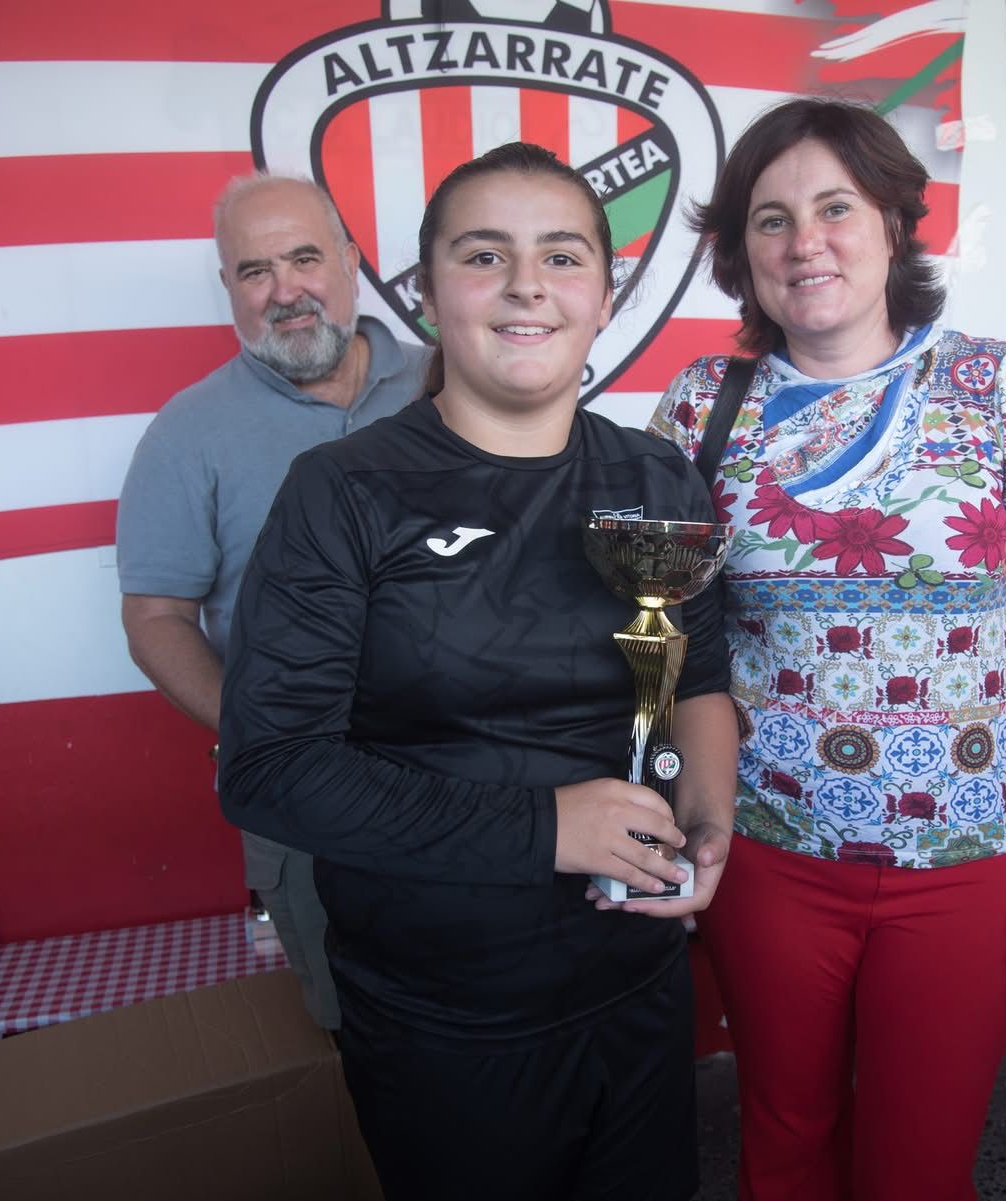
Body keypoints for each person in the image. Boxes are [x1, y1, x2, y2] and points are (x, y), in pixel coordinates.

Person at [217, 142, 737, 1201]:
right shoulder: (343, 494)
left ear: (604, 293)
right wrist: (547, 828)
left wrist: (711, 820)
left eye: (560, 255)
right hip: (446, 1017)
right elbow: (268, 768)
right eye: (484, 254)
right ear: (424, 293)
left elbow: (700, 673)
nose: (526, 285)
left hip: (637, 985)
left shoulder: (654, 473)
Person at [649, 98, 1006, 1201]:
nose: (804, 242)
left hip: (964, 863)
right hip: (766, 853)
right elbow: (661, 639)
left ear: (897, 224)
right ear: (737, 251)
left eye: (834, 207)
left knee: (921, 1163)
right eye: (770, 219)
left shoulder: (999, 388)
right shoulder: (704, 407)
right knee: (784, 1142)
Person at [115, 173, 430, 1031]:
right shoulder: (187, 433)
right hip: (310, 807)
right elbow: (155, 620)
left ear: (352, 262)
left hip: (478, 776)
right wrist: (264, 732)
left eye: (304, 257)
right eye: (255, 271)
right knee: (361, 1035)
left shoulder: (453, 382)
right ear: (229, 291)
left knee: (500, 1021)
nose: (286, 290)